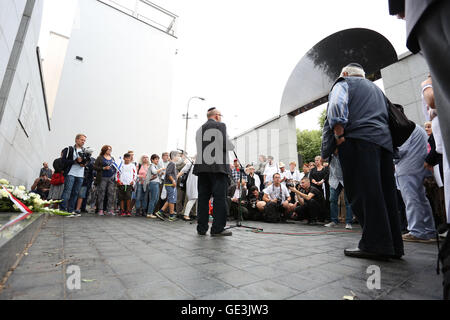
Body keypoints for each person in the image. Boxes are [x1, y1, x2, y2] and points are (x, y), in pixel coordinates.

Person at [326, 63, 404, 260]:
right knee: (386, 196)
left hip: (359, 142)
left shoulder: (343, 82)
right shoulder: (376, 90)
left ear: (344, 73)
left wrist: (338, 134)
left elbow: (336, 106)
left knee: (364, 193)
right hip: (383, 144)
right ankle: (393, 246)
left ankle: (374, 245)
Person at [194, 107, 234, 236]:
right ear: (216, 116)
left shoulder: (199, 129)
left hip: (202, 168)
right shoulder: (220, 125)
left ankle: (201, 228)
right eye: (220, 115)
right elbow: (226, 145)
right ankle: (217, 229)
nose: (221, 117)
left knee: (203, 199)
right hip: (218, 168)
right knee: (219, 198)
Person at [394, 125, 437, 242]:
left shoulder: (405, 129)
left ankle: (417, 231)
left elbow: (400, 151)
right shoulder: (416, 128)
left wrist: (388, 156)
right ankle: (429, 230)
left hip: (408, 169)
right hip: (417, 168)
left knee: (411, 200)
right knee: (421, 200)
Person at [60, 134, 90, 215]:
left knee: (76, 193)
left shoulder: (85, 151)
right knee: (67, 192)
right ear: (76, 140)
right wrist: (75, 161)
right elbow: (63, 161)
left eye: (84, 140)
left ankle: (71, 210)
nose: (83, 141)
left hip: (80, 175)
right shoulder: (69, 149)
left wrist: (84, 163)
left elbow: (88, 162)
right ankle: (62, 210)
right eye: (81, 140)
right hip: (70, 173)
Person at [324, 152, 353, 229]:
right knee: (332, 200)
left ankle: (349, 222)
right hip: (334, 180)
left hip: (346, 179)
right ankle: (334, 221)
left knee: (348, 201)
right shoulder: (330, 155)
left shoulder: (345, 152)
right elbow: (322, 157)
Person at [156, 151, 180, 222]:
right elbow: (168, 173)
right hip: (170, 184)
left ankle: (160, 212)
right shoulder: (172, 164)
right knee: (172, 199)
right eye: (178, 156)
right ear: (174, 156)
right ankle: (171, 216)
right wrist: (173, 181)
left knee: (170, 199)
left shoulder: (172, 164)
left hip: (170, 184)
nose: (178, 157)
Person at [93, 145, 117, 216]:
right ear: (104, 150)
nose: (109, 151)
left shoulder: (112, 158)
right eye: (108, 149)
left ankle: (109, 210)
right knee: (101, 193)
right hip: (102, 177)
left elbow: (115, 166)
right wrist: (103, 168)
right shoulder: (100, 158)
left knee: (111, 194)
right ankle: (100, 209)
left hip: (111, 178)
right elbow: (94, 166)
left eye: (110, 149)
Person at [145, 154, 165, 219]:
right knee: (153, 199)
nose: (157, 160)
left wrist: (161, 173)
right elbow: (154, 172)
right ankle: (149, 213)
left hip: (156, 183)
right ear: (152, 160)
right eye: (156, 159)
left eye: (158, 159)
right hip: (153, 183)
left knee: (156, 199)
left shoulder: (155, 166)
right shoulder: (152, 166)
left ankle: (151, 212)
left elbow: (157, 174)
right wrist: (161, 169)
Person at [180, 156, 198, 221]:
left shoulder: (193, 164)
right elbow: (182, 171)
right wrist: (175, 178)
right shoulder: (190, 164)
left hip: (197, 183)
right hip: (193, 183)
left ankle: (195, 214)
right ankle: (186, 215)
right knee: (193, 199)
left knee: (195, 199)